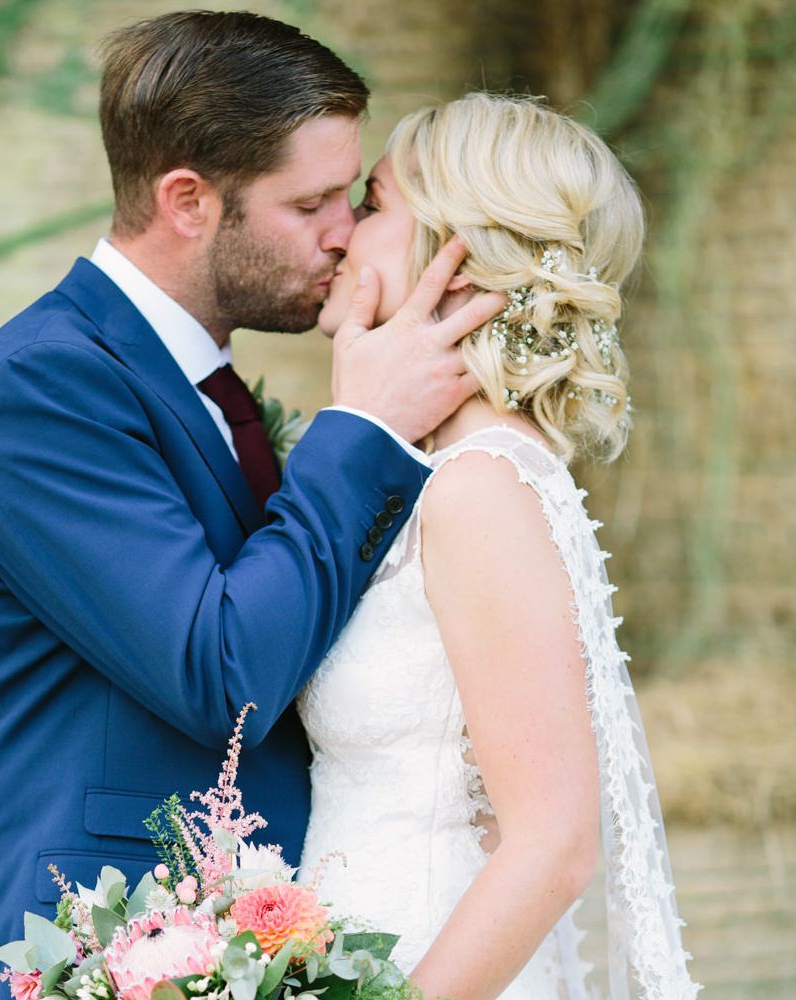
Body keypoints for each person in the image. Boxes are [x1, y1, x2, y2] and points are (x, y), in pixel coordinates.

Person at [0, 12, 504, 999]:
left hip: (242, 939)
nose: (344, 231)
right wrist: (362, 428)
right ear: (188, 201)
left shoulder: (209, 390)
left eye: (352, 196)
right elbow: (222, 671)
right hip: (72, 947)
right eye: (312, 202)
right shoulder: (45, 386)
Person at [298, 93, 700, 999]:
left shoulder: (481, 487)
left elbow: (555, 841)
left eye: (370, 206)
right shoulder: (435, 477)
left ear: (456, 251)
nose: (340, 236)